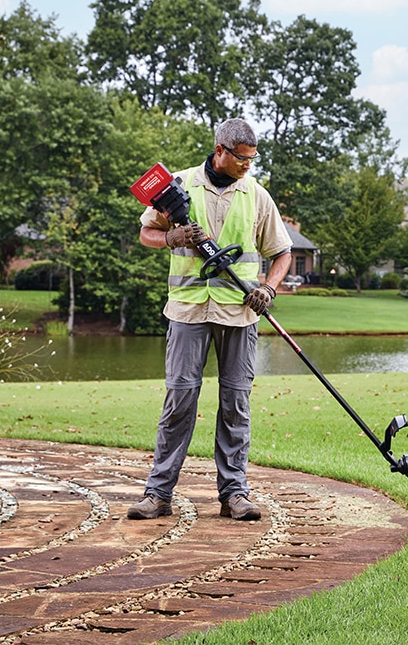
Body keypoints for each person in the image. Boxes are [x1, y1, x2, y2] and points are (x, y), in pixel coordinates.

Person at [128, 118, 293, 521]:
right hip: (187, 311)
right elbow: (146, 233)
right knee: (180, 399)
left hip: (239, 312)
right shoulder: (177, 186)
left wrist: (268, 289)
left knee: (236, 402)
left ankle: (234, 494)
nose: (248, 165)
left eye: (253, 159)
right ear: (220, 150)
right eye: (242, 158)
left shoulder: (256, 195)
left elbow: (282, 252)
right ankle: (158, 494)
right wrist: (171, 237)